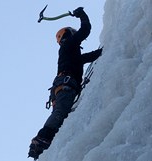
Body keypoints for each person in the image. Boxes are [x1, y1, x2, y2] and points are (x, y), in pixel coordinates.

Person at [28, 7, 103, 160]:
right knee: (61, 113)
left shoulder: (70, 53)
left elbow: (84, 58)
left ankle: (46, 143)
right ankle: (40, 140)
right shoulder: (68, 44)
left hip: (62, 86)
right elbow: (86, 30)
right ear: (68, 35)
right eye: (73, 34)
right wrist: (81, 14)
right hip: (66, 85)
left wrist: (102, 52)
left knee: (62, 116)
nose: (77, 37)